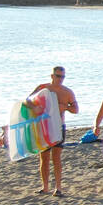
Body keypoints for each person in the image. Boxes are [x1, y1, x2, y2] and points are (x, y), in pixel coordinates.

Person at [28, 66, 79, 196]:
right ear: (52, 76)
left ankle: (58, 187)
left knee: (56, 158)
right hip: (44, 127)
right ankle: (45, 187)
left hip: (59, 126)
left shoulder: (67, 92)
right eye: (58, 76)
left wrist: (65, 107)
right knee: (44, 158)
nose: (60, 79)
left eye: (62, 76)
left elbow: (76, 109)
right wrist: (37, 108)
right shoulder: (43, 88)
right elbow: (28, 102)